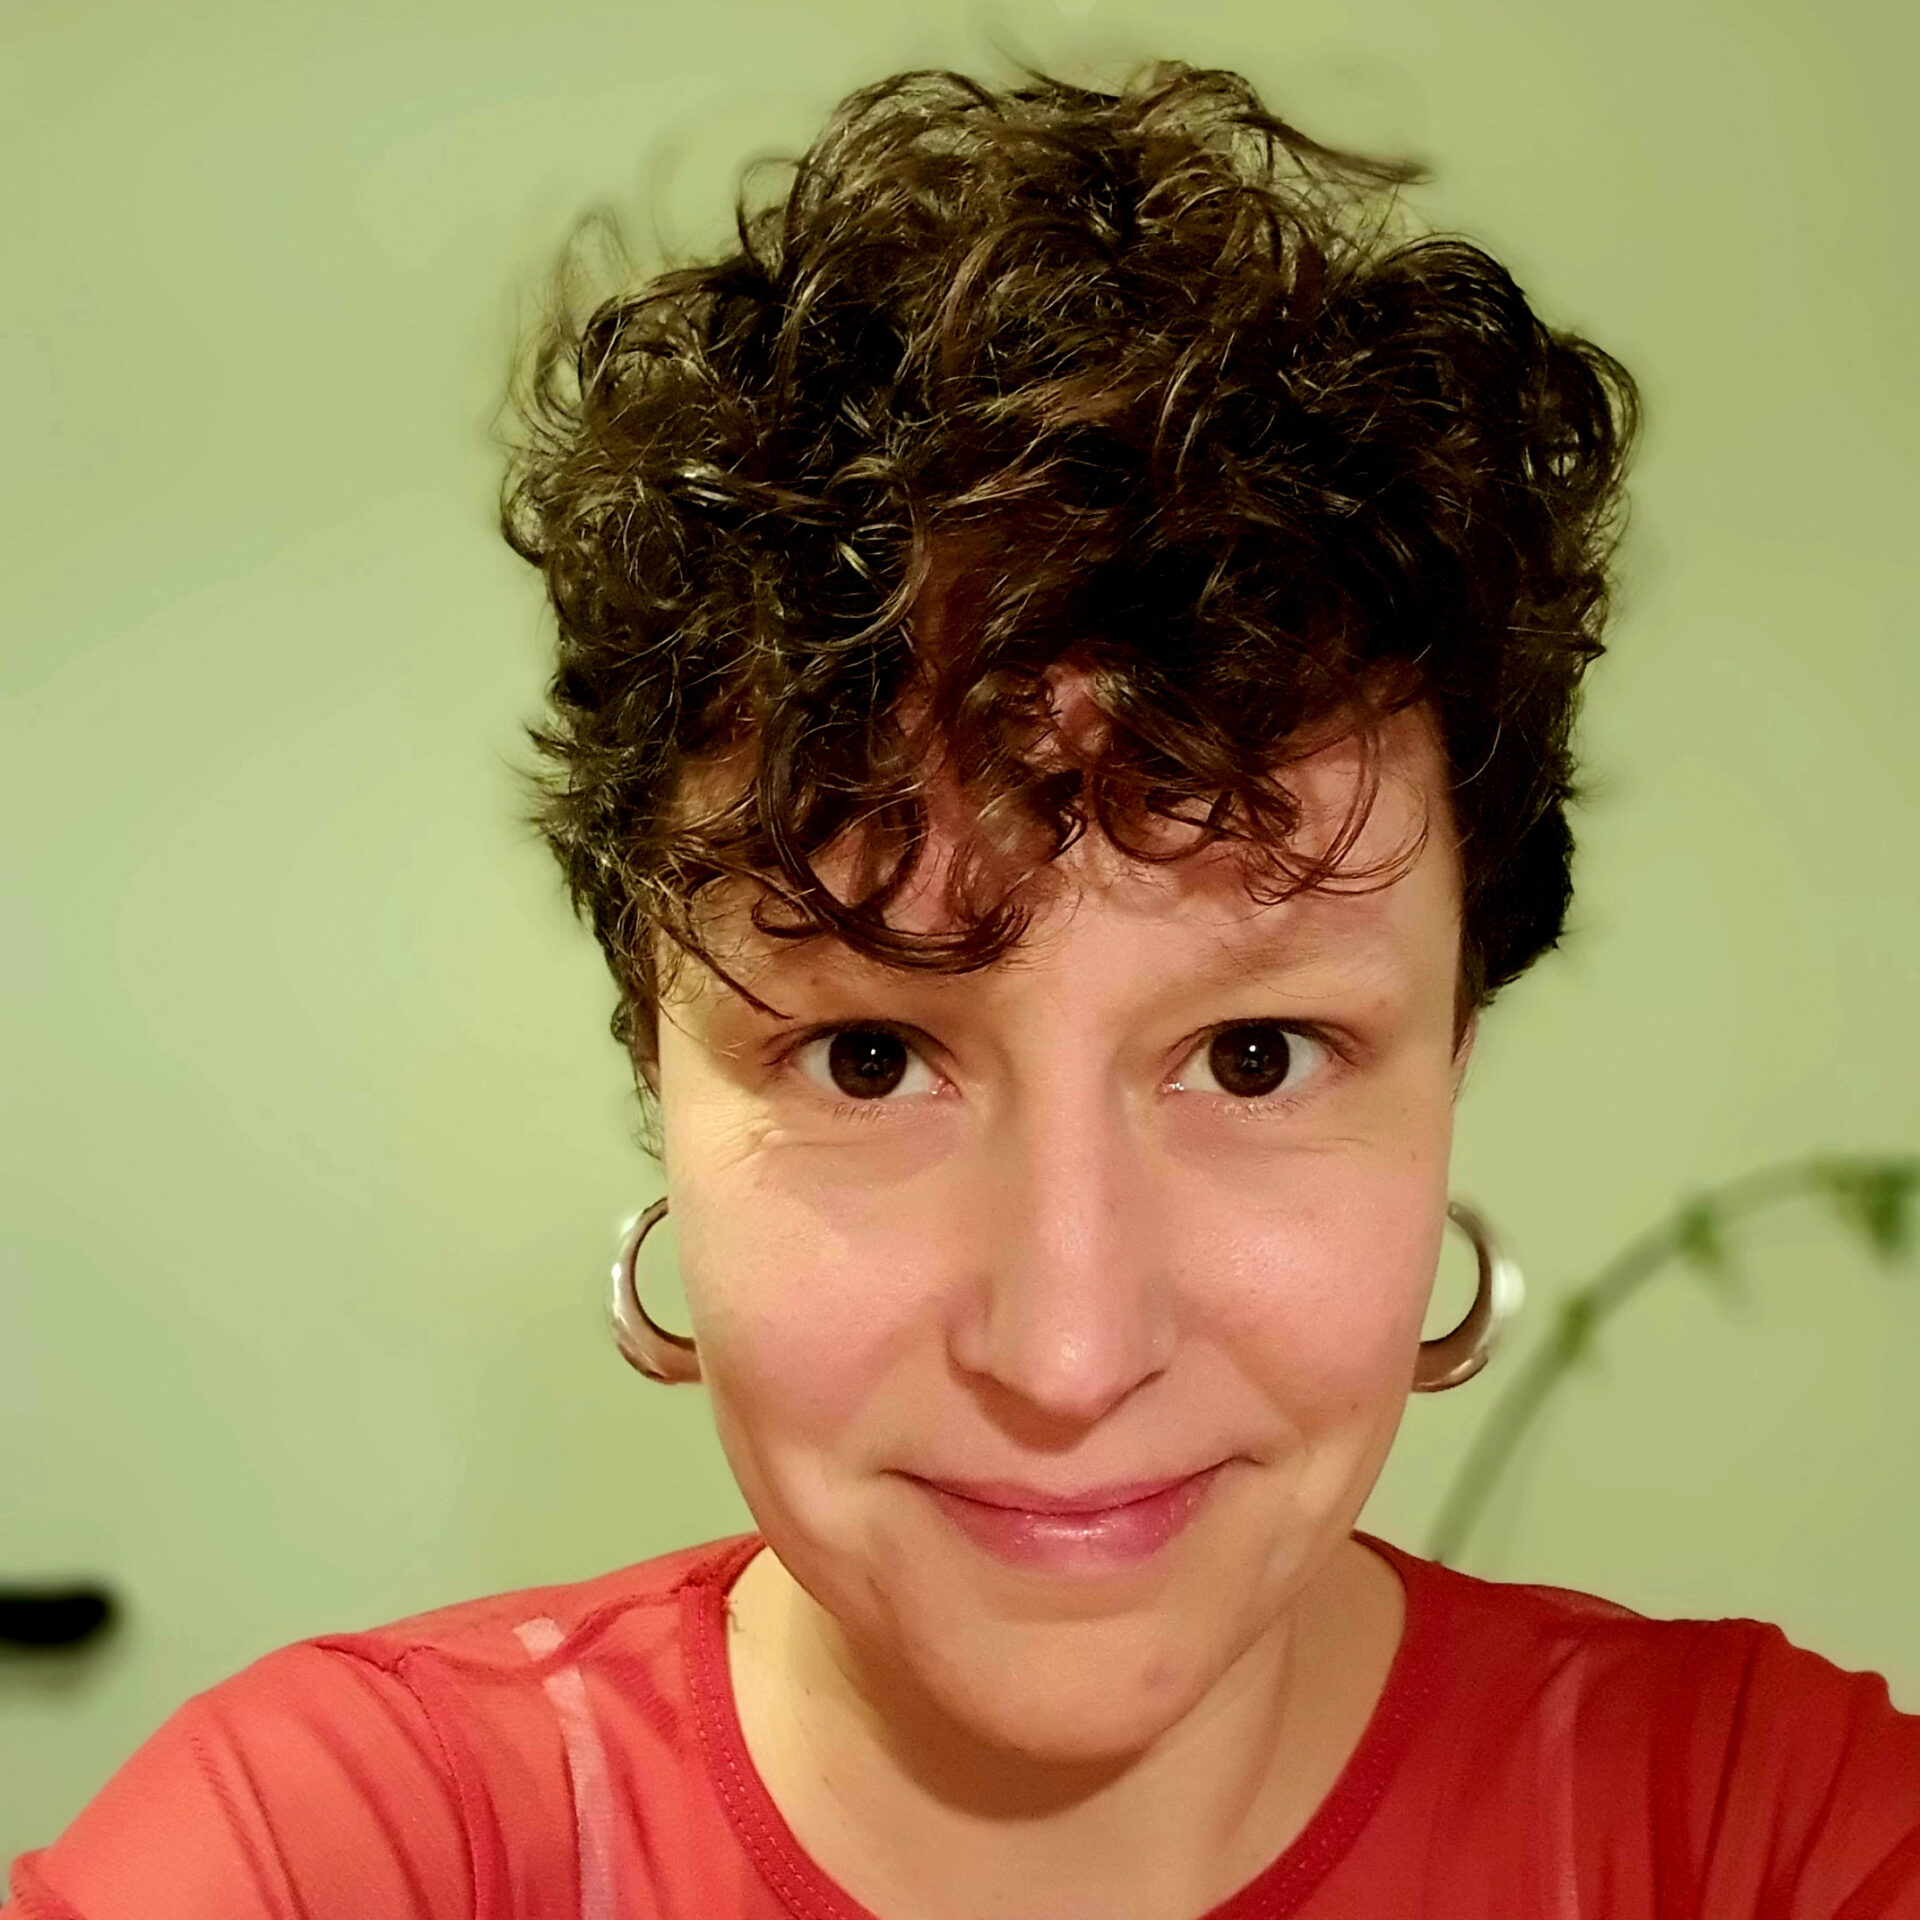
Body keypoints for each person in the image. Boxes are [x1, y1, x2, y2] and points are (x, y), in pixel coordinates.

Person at [8, 60, 1918, 1920]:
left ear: (1455, 1055)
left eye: (1253, 1056)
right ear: (655, 1064)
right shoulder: (337, 1860)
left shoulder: (1755, 1839)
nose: (1069, 1354)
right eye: (866, 1055)